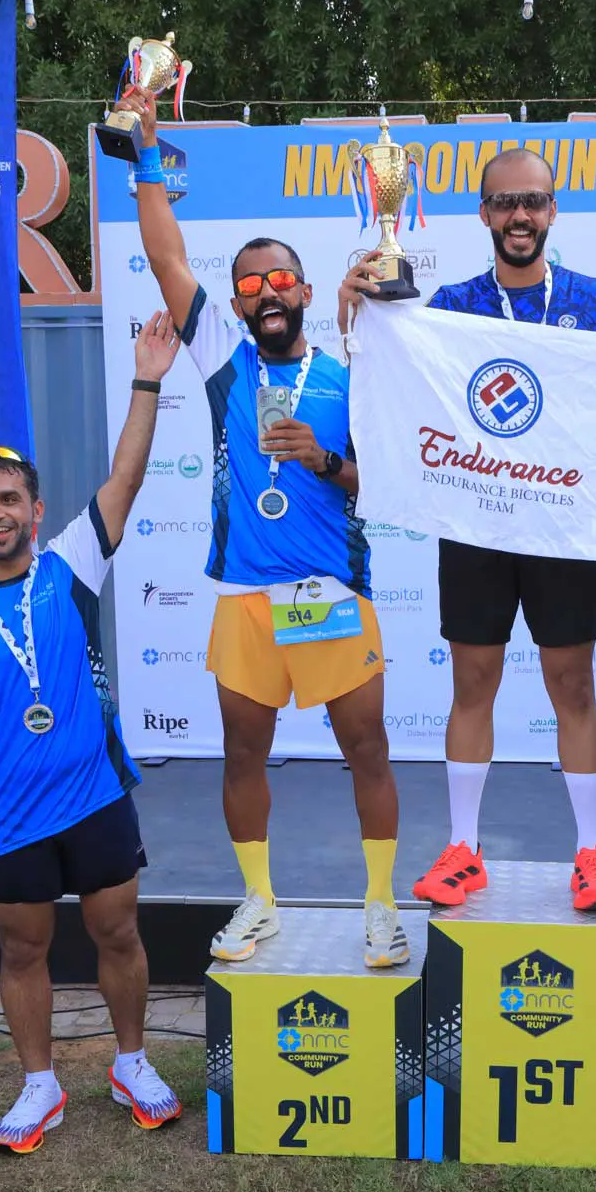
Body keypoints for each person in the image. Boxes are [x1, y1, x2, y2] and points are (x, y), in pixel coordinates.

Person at [340, 145, 596, 913]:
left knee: (573, 686)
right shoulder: (452, 304)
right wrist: (356, 306)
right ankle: (464, 849)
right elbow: (389, 371)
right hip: (476, 522)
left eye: (532, 201)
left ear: (552, 210)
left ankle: (591, 854)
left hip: (563, 528)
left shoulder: (593, 302)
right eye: (505, 203)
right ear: (484, 214)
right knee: (472, 684)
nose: (520, 215)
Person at [119, 87, 407, 969]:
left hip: (331, 593)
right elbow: (166, 256)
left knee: (367, 751)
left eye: (280, 279)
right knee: (243, 754)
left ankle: (381, 906)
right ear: (239, 305)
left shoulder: (353, 371)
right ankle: (260, 901)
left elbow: (387, 485)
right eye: (249, 285)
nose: (266, 292)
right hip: (246, 597)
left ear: (306, 290)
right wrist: (146, 153)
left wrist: (325, 459)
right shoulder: (222, 361)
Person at [0, 317, 182, 1153]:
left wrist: (147, 379)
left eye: (8, 499)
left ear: (36, 508)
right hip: (14, 814)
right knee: (22, 950)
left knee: (118, 934)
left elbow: (126, 477)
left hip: (96, 797)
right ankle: (39, 1085)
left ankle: (131, 1063)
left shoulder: (72, 564)